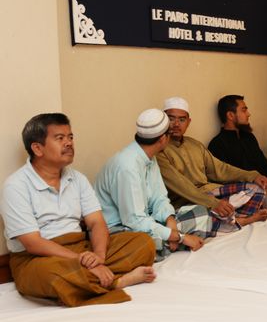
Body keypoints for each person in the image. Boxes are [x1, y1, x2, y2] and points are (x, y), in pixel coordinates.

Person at [1, 113, 156, 307]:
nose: (69, 143)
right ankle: (117, 282)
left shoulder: (78, 179)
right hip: (38, 258)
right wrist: (81, 261)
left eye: (70, 137)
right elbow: (33, 244)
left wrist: (98, 257)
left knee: (143, 242)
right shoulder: (15, 186)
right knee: (54, 276)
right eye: (60, 138)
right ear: (37, 148)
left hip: (81, 248)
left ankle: (92, 280)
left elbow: (96, 222)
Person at [95, 108, 220, 261]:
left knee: (202, 213)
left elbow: (159, 197)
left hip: (147, 221)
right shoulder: (127, 166)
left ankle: (163, 246)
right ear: (162, 139)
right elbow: (134, 220)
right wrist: (179, 237)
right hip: (121, 230)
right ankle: (166, 246)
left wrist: (170, 221)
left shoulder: (149, 157)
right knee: (142, 244)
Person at [156, 97, 267, 231]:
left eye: (182, 120)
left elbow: (220, 169)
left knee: (256, 188)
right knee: (196, 216)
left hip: (209, 192)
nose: (176, 124)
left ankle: (227, 220)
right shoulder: (159, 149)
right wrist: (213, 203)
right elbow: (181, 186)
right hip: (185, 202)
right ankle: (238, 220)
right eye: (171, 119)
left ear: (188, 122)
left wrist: (253, 176)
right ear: (163, 120)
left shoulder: (195, 145)